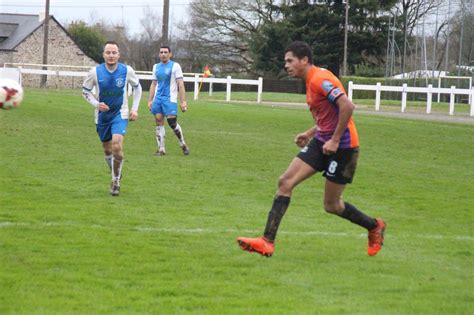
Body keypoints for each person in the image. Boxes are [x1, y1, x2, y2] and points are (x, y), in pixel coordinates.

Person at [237, 41, 386, 257]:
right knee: (285, 182)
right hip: (322, 142)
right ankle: (267, 241)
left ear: (304, 60)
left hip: (343, 146)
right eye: (285, 61)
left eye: (290, 60)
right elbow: (329, 116)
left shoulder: (320, 80)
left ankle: (374, 226)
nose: (286, 65)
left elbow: (347, 106)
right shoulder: (310, 81)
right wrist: (310, 133)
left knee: (332, 205)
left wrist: (334, 140)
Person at [82, 41, 142, 196]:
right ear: (103, 54)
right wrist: (96, 104)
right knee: (107, 149)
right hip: (102, 117)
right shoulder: (95, 72)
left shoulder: (126, 70)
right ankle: (115, 170)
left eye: (114, 52)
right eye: (108, 52)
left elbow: (138, 88)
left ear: (119, 55)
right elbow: (85, 91)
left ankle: (116, 181)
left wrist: (134, 109)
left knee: (117, 146)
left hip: (120, 113)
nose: (111, 55)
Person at [148, 45, 189, 156]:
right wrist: (150, 100)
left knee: (172, 123)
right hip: (158, 99)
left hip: (170, 99)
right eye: (161, 52)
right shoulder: (156, 67)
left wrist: (183, 101)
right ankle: (161, 149)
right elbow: (153, 83)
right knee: (158, 121)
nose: (163, 54)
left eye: (166, 52)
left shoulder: (175, 66)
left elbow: (180, 84)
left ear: (170, 54)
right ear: (159, 54)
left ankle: (182, 143)